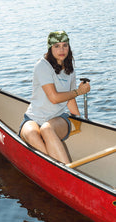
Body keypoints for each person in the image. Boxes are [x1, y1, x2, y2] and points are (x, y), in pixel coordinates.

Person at [19, 31, 90, 164]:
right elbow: (54, 98)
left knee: (47, 129)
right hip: (33, 118)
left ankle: (63, 172)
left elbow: (70, 99)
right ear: (50, 48)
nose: (62, 50)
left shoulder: (70, 69)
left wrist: (79, 119)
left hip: (58, 119)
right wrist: (79, 91)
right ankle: (62, 170)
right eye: (56, 46)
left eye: (65, 45)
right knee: (31, 134)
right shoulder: (42, 66)